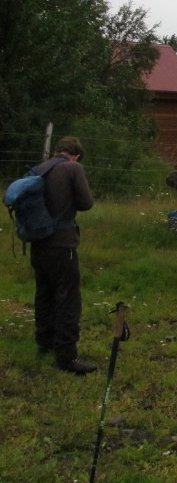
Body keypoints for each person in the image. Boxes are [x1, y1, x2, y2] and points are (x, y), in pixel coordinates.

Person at [30, 136, 96, 374]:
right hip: (62, 244)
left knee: (44, 293)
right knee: (68, 298)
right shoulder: (72, 168)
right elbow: (86, 203)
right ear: (76, 155)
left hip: (38, 243)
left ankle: (44, 343)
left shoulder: (40, 168)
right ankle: (66, 356)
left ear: (58, 150)